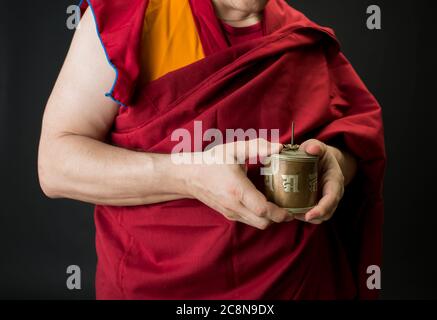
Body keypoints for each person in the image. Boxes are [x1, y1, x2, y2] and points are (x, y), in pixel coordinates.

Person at [38, 0, 385, 299]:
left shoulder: (300, 37)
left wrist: (337, 164)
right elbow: (55, 165)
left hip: (295, 283)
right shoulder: (133, 15)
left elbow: (354, 139)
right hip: (159, 285)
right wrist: (187, 176)